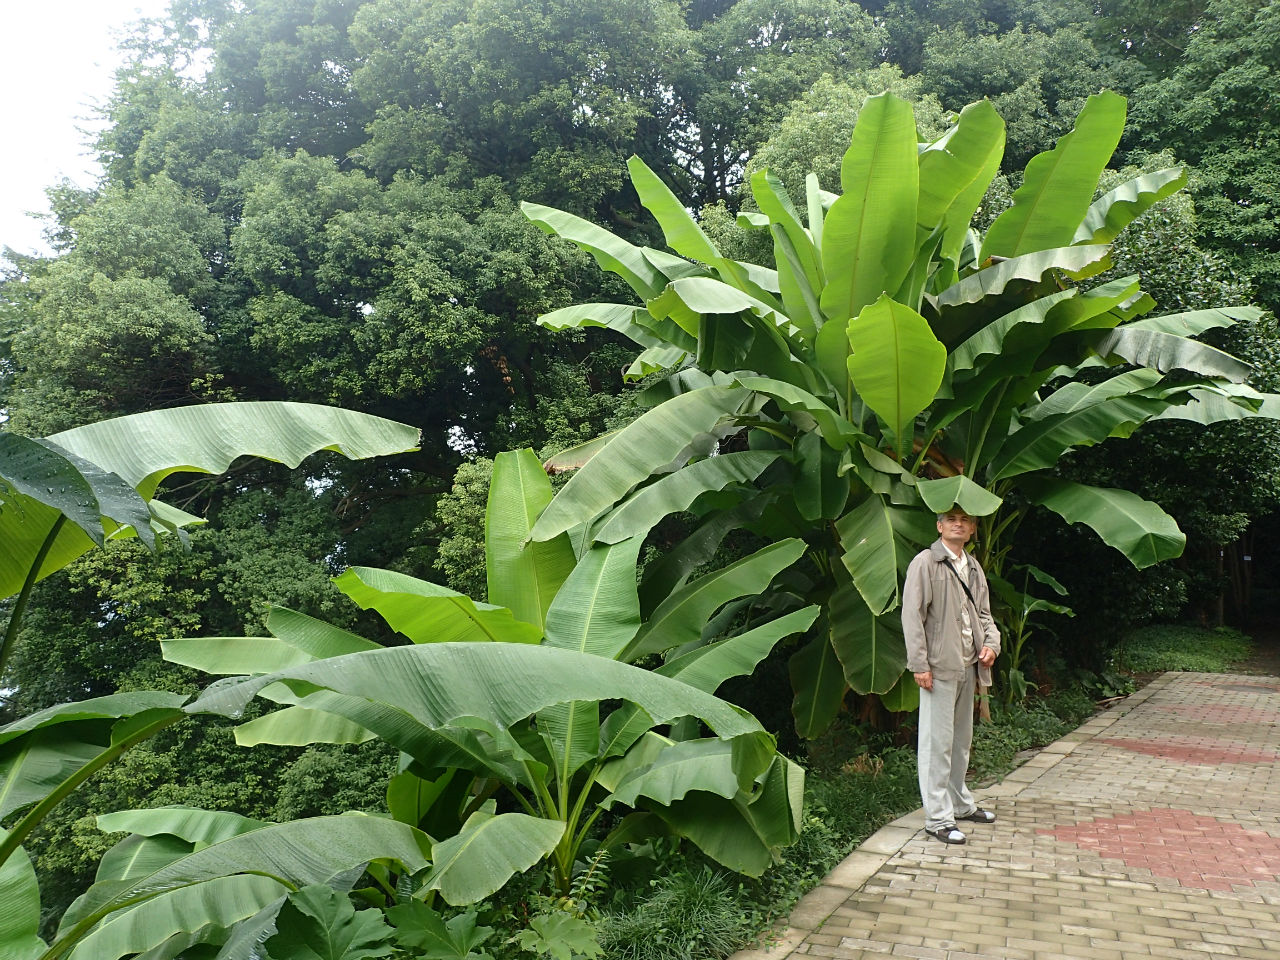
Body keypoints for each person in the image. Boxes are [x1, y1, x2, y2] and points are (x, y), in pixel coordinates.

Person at [902, 506, 1001, 844]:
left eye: (965, 521)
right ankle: (938, 819)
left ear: (972, 529)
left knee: (960, 742)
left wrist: (992, 644)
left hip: (968, 666)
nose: (959, 525)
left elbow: (985, 615)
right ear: (940, 526)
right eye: (952, 520)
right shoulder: (926, 563)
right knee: (936, 744)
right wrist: (919, 664)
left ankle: (959, 804)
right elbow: (912, 617)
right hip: (938, 668)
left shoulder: (973, 567)